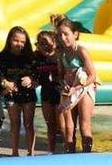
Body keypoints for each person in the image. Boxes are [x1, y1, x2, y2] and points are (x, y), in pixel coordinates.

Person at [55, 17, 99, 153]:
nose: (63, 38)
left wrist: (77, 87)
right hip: (70, 90)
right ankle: (70, 154)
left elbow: (92, 75)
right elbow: (60, 75)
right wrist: (63, 84)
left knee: (84, 125)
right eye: (60, 35)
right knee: (68, 128)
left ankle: (86, 155)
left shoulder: (81, 51)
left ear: (75, 34)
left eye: (66, 34)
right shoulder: (61, 53)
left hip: (84, 89)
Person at [0, 26, 37, 156]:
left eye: (22, 42)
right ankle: (14, 152)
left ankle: (30, 152)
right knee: (15, 124)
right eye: (16, 40)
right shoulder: (2, 56)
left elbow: (37, 75)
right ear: (9, 40)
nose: (19, 44)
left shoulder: (30, 57)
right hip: (11, 95)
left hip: (28, 94)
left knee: (28, 123)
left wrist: (31, 79)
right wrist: (5, 83)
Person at [33, 31, 62, 154]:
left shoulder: (60, 55)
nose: (43, 46)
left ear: (54, 43)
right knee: (50, 125)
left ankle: (69, 149)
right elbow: (35, 75)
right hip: (46, 94)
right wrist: (33, 81)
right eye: (40, 43)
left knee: (62, 126)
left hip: (60, 93)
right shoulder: (37, 57)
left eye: (46, 42)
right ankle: (51, 151)